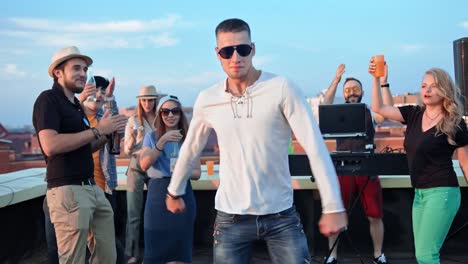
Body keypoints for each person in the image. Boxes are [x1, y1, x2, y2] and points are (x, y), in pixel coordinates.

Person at [165, 18, 347, 263]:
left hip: (281, 215)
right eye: (227, 51)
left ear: (253, 49)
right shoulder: (208, 99)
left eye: (243, 49)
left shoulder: (282, 87)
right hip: (230, 218)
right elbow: (192, 148)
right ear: (217, 54)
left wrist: (333, 205)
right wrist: (174, 190)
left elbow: (314, 146)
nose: (235, 57)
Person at [33, 46, 126, 263]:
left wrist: (108, 133)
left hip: (92, 188)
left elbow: (86, 146)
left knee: (107, 256)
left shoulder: (75, 105)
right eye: (76, 68)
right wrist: (97, 130)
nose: (83, 74)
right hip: (68, 190)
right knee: (72, 259)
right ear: (58, 72)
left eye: (85, 69)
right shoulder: (48, 99)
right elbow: (50, 145)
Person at [369, 61, 468, 263]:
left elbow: (465, 162)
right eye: (424, 86)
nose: (427, 90)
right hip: (420, 194)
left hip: (443, 192)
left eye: (433, 86)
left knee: (426, 254)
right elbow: (379, 107)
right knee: (423, 255)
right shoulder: (413, 114)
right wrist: (377, 79)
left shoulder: (454, 122)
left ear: (445, 90)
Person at [322, 64, 391, 264]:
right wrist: (336, 79)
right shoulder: (337, 114)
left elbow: (384, 112)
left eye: (356, 90)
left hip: (367, 167)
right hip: (342, 167)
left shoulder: (369, 111)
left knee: (375, 214)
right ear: (343, 94)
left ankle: (378, 254)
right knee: (335, 214)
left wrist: (379, 80)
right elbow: (325, 104)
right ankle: (332, 256)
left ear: (362, 93)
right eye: (348, 90)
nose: (352, 93)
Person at [139, 95, 201, 263]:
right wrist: (163, 141)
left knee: (180, 252)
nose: (170, 115)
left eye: (175, 111)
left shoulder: (188, 139)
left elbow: (197, 173)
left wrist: (181, 171)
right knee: (154, 252)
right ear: (160, 114)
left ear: (181, 114)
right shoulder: (151, 137)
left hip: (182, 192)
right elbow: (144, 164)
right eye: (165, 112)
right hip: (157, 194)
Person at [123, 84, 159, 263]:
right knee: (133, 213)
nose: (147, 103)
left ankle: (155, 250)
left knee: (155, 212)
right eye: (144, 100)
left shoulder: (161, 119)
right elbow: (126, 150)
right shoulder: (133, 120)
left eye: (150, 100)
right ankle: (132, 254)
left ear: (155, 100)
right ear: (140, 101)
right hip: (136, 167)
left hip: (155, 167)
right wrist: (135, 138)